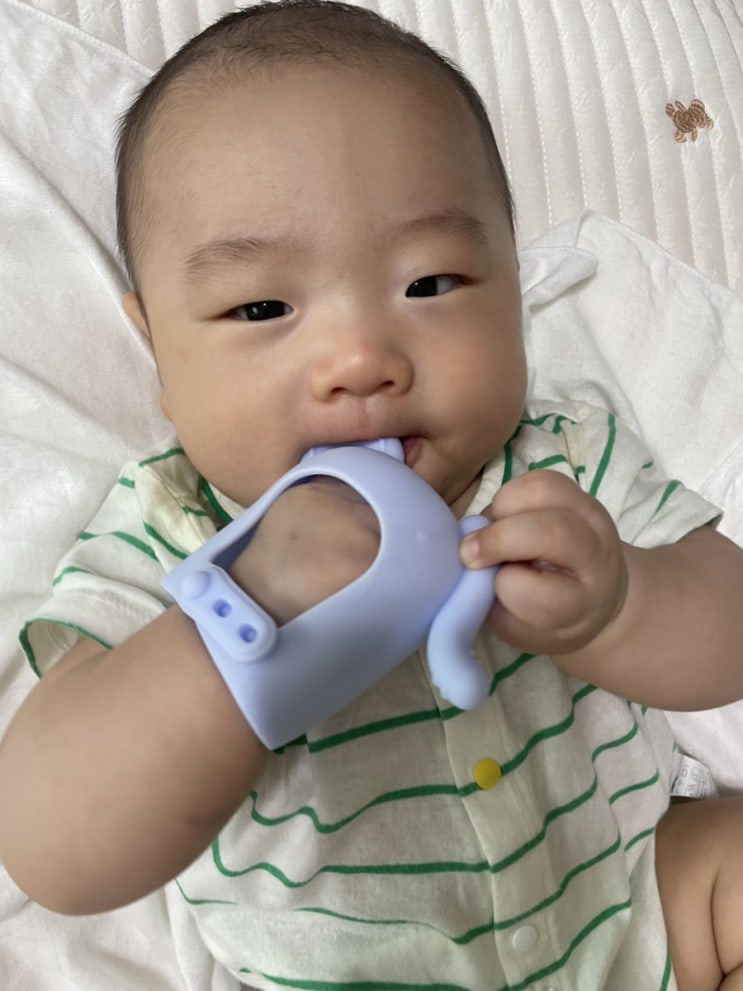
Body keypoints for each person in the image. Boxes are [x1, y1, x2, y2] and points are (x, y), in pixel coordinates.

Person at [1, 2, 743, 988]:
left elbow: (728, 632)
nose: (360, 357)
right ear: (160, 356)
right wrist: (240, 626)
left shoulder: (556, 463)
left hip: (639, 909)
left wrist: (619, 604)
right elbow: (52, 851)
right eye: (261, 306)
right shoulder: (178, 539)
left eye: (429, 283)